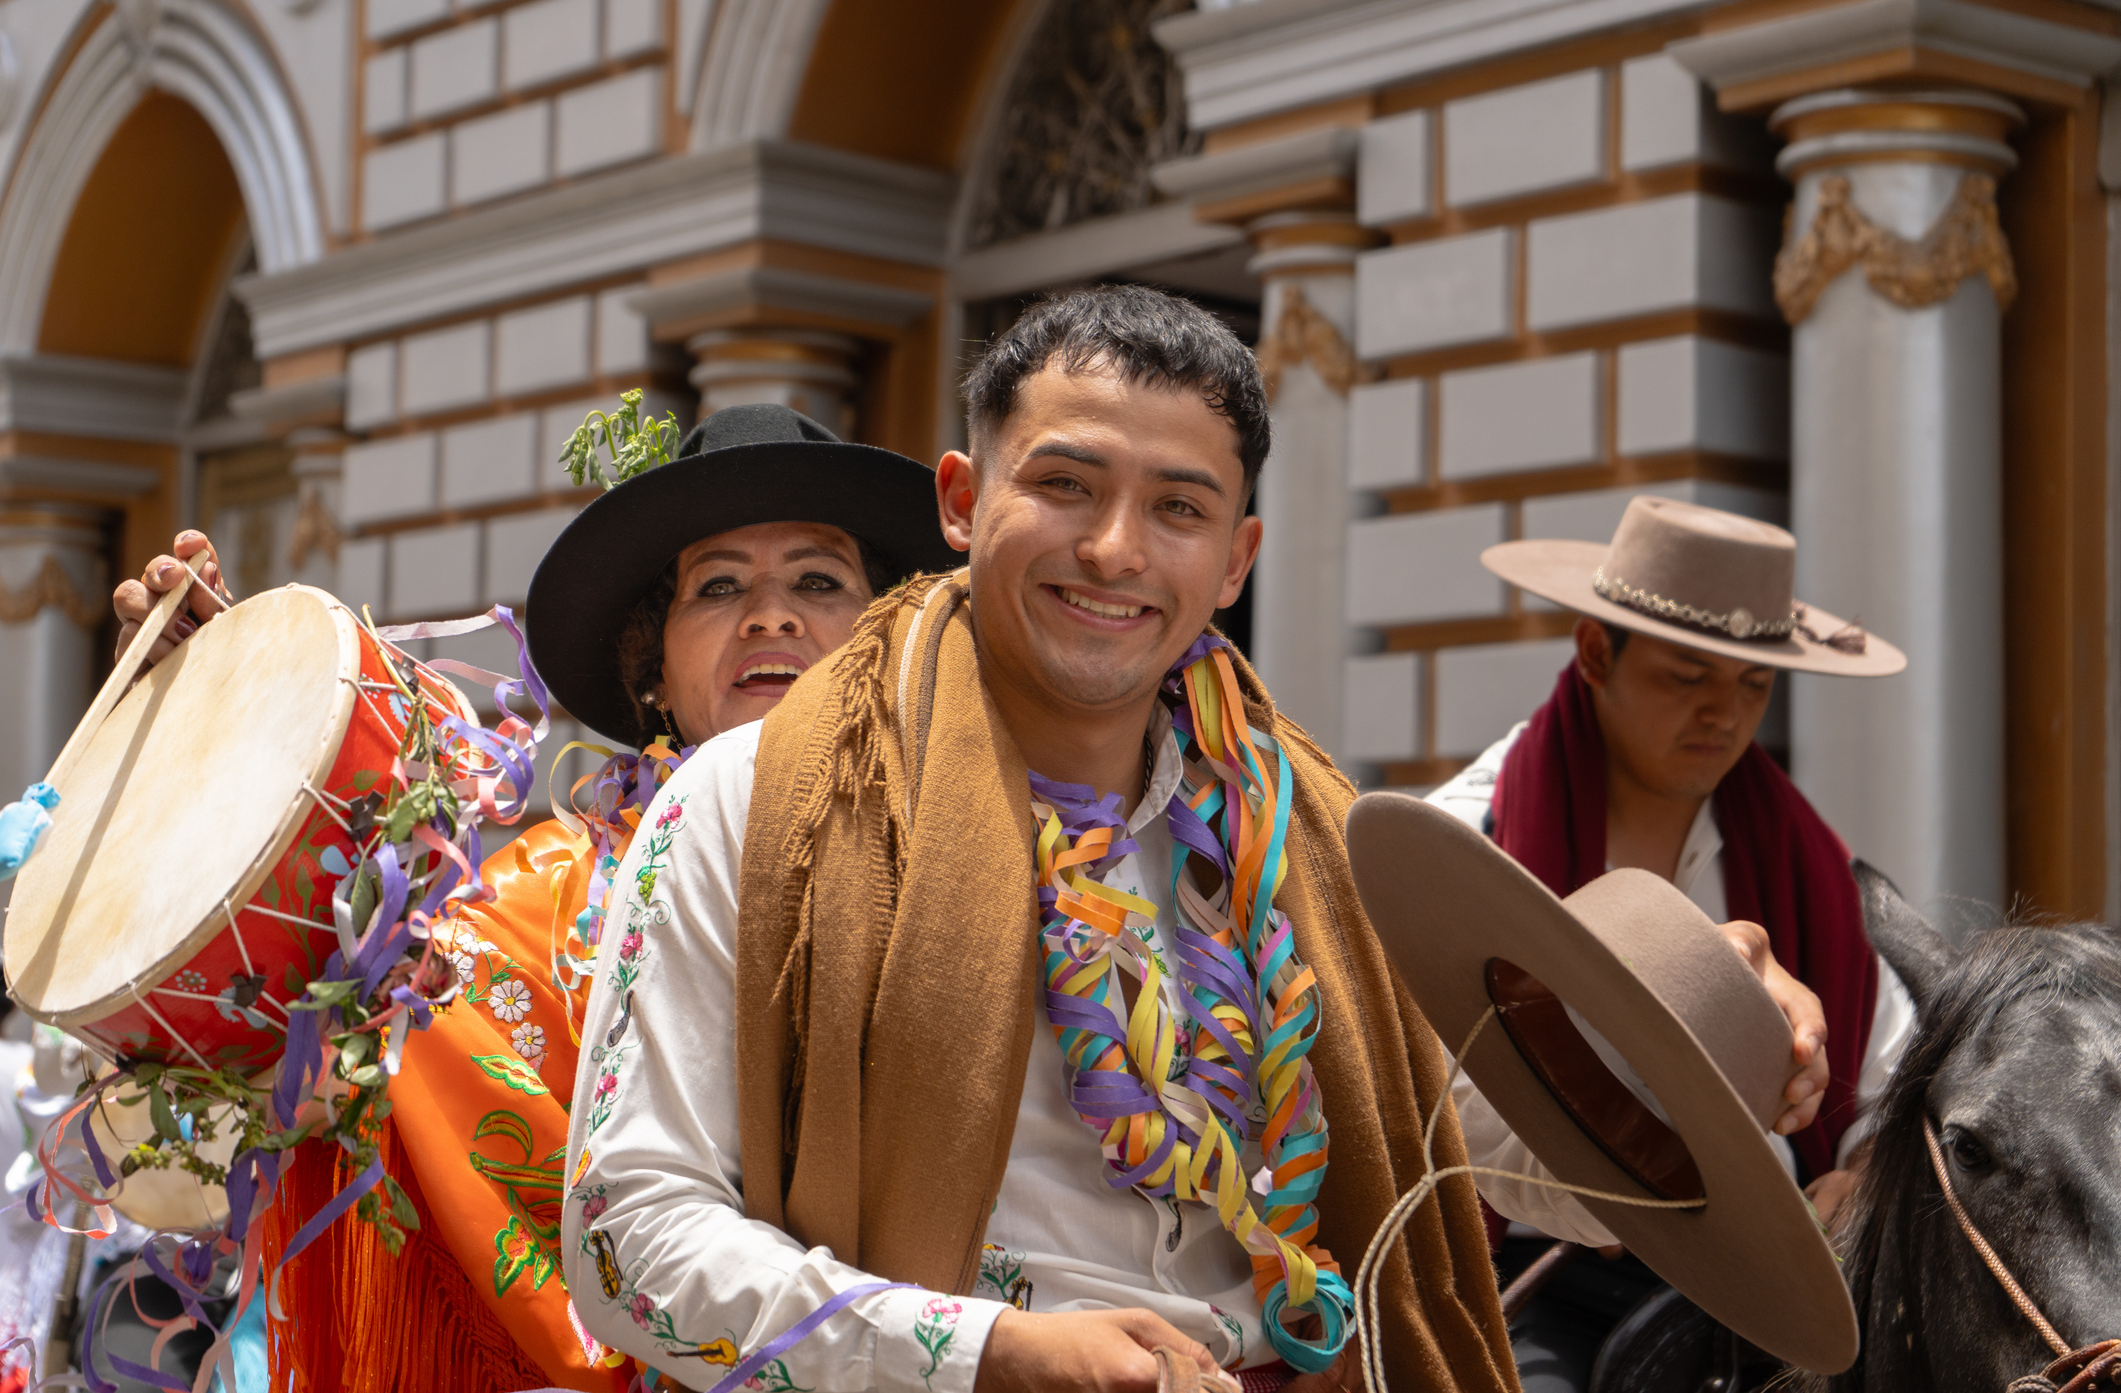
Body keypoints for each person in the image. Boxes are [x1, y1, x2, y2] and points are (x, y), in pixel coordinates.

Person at [558, 287, 1833, 1393]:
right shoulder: (754, 799)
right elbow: (629, 1240)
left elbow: (1466, 1158)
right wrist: (983, 1353)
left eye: (1179, 507)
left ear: (1237, 559)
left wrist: (1669, 1035)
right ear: (962, 498)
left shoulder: (1317, 844)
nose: (1115, 549)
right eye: (1063, 484)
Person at [108, 402, 960, 1393]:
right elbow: (322, 1035)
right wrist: (241, 743)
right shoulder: (526, 909)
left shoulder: (990, 882)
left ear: (885, 642)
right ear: (654, 671)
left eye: (818, 579)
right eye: (719, 585)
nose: (770, 613)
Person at [1428, 496, 1918, 1392]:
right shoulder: (1471, 845)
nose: (1722, 716)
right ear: (1593, 654)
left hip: (1776, 1281)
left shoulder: (1806, 859)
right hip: (1543, 1272)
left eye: (1751, 685)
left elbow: (1892, 1089)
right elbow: (1445, 1126)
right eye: (1686, 676)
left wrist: (1861, 1182)